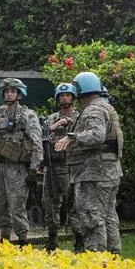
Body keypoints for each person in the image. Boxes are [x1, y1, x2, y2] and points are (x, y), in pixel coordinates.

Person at [54, 71, 123, 254]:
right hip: (109, 172)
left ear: (80, 89)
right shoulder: (106, 107)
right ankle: (113, 256)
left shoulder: (93, 109)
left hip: (94, 173)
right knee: (108, 216)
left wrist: (71, 138)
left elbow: (97, 135)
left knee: (92, 217)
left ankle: (96, 258)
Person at [0, 77, 44, 244]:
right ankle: (4, 238)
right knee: (0, 205)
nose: (9, 94)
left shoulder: (27, 115)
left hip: (17, 169)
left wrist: (34, 169)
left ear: (19, 95)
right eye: (6, 91)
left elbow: (36, 142)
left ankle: (22, 240)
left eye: (13, 91)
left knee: (16, 206)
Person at [42, 83, 80, 251]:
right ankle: (52, 239)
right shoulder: (51, 119)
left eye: (68, 95)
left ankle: (79, 239)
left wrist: (64, 123)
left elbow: (78, 132)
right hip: (51, 166)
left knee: (73, 203)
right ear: (58, 99)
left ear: (73, 98)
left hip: (69, 166)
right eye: (62, 96)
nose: (65, 98)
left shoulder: (78, 117)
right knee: (49, 203)